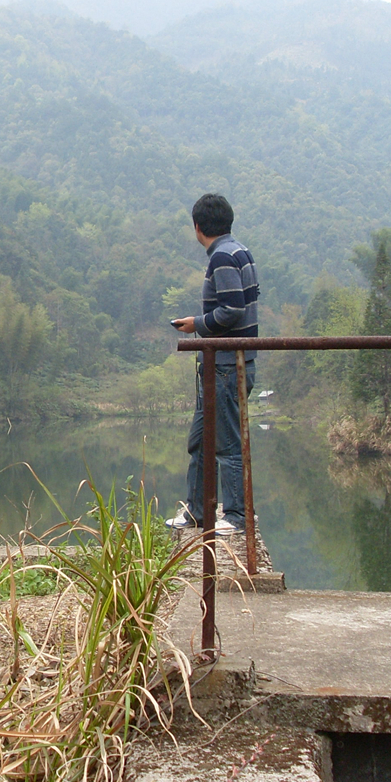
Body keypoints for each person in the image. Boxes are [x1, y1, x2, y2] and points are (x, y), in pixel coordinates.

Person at [167, 193, 259, 534]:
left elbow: (233, 309)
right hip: (223, 364)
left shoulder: (222, 257)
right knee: (201, 440)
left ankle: (235, 516)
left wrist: (197, 324)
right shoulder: (238, 251)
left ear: (197, 226)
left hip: (225, 364)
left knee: (227, 442)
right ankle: (197, 511)